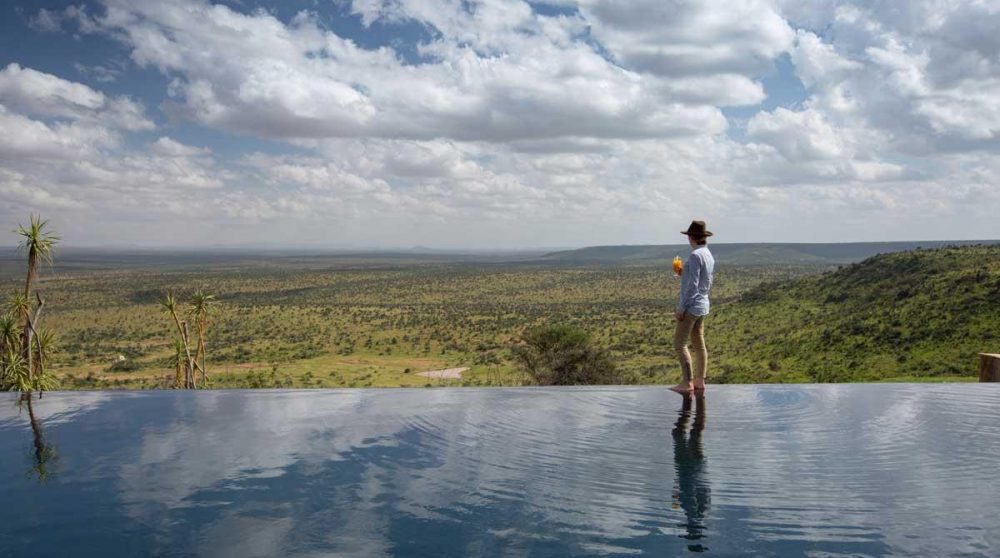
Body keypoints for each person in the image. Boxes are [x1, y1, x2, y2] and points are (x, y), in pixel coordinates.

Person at [670, 221, 715, 394]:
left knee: (679, 344)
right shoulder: (708, 254)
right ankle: (699, 381)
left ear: (691, 237)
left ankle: (687, 382)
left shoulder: (695, 255)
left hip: (692, 306)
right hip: (703, 304)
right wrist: (683, 272)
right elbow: (705, 280)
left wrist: (681, 307)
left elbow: (693, 285)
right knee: (699, 344)